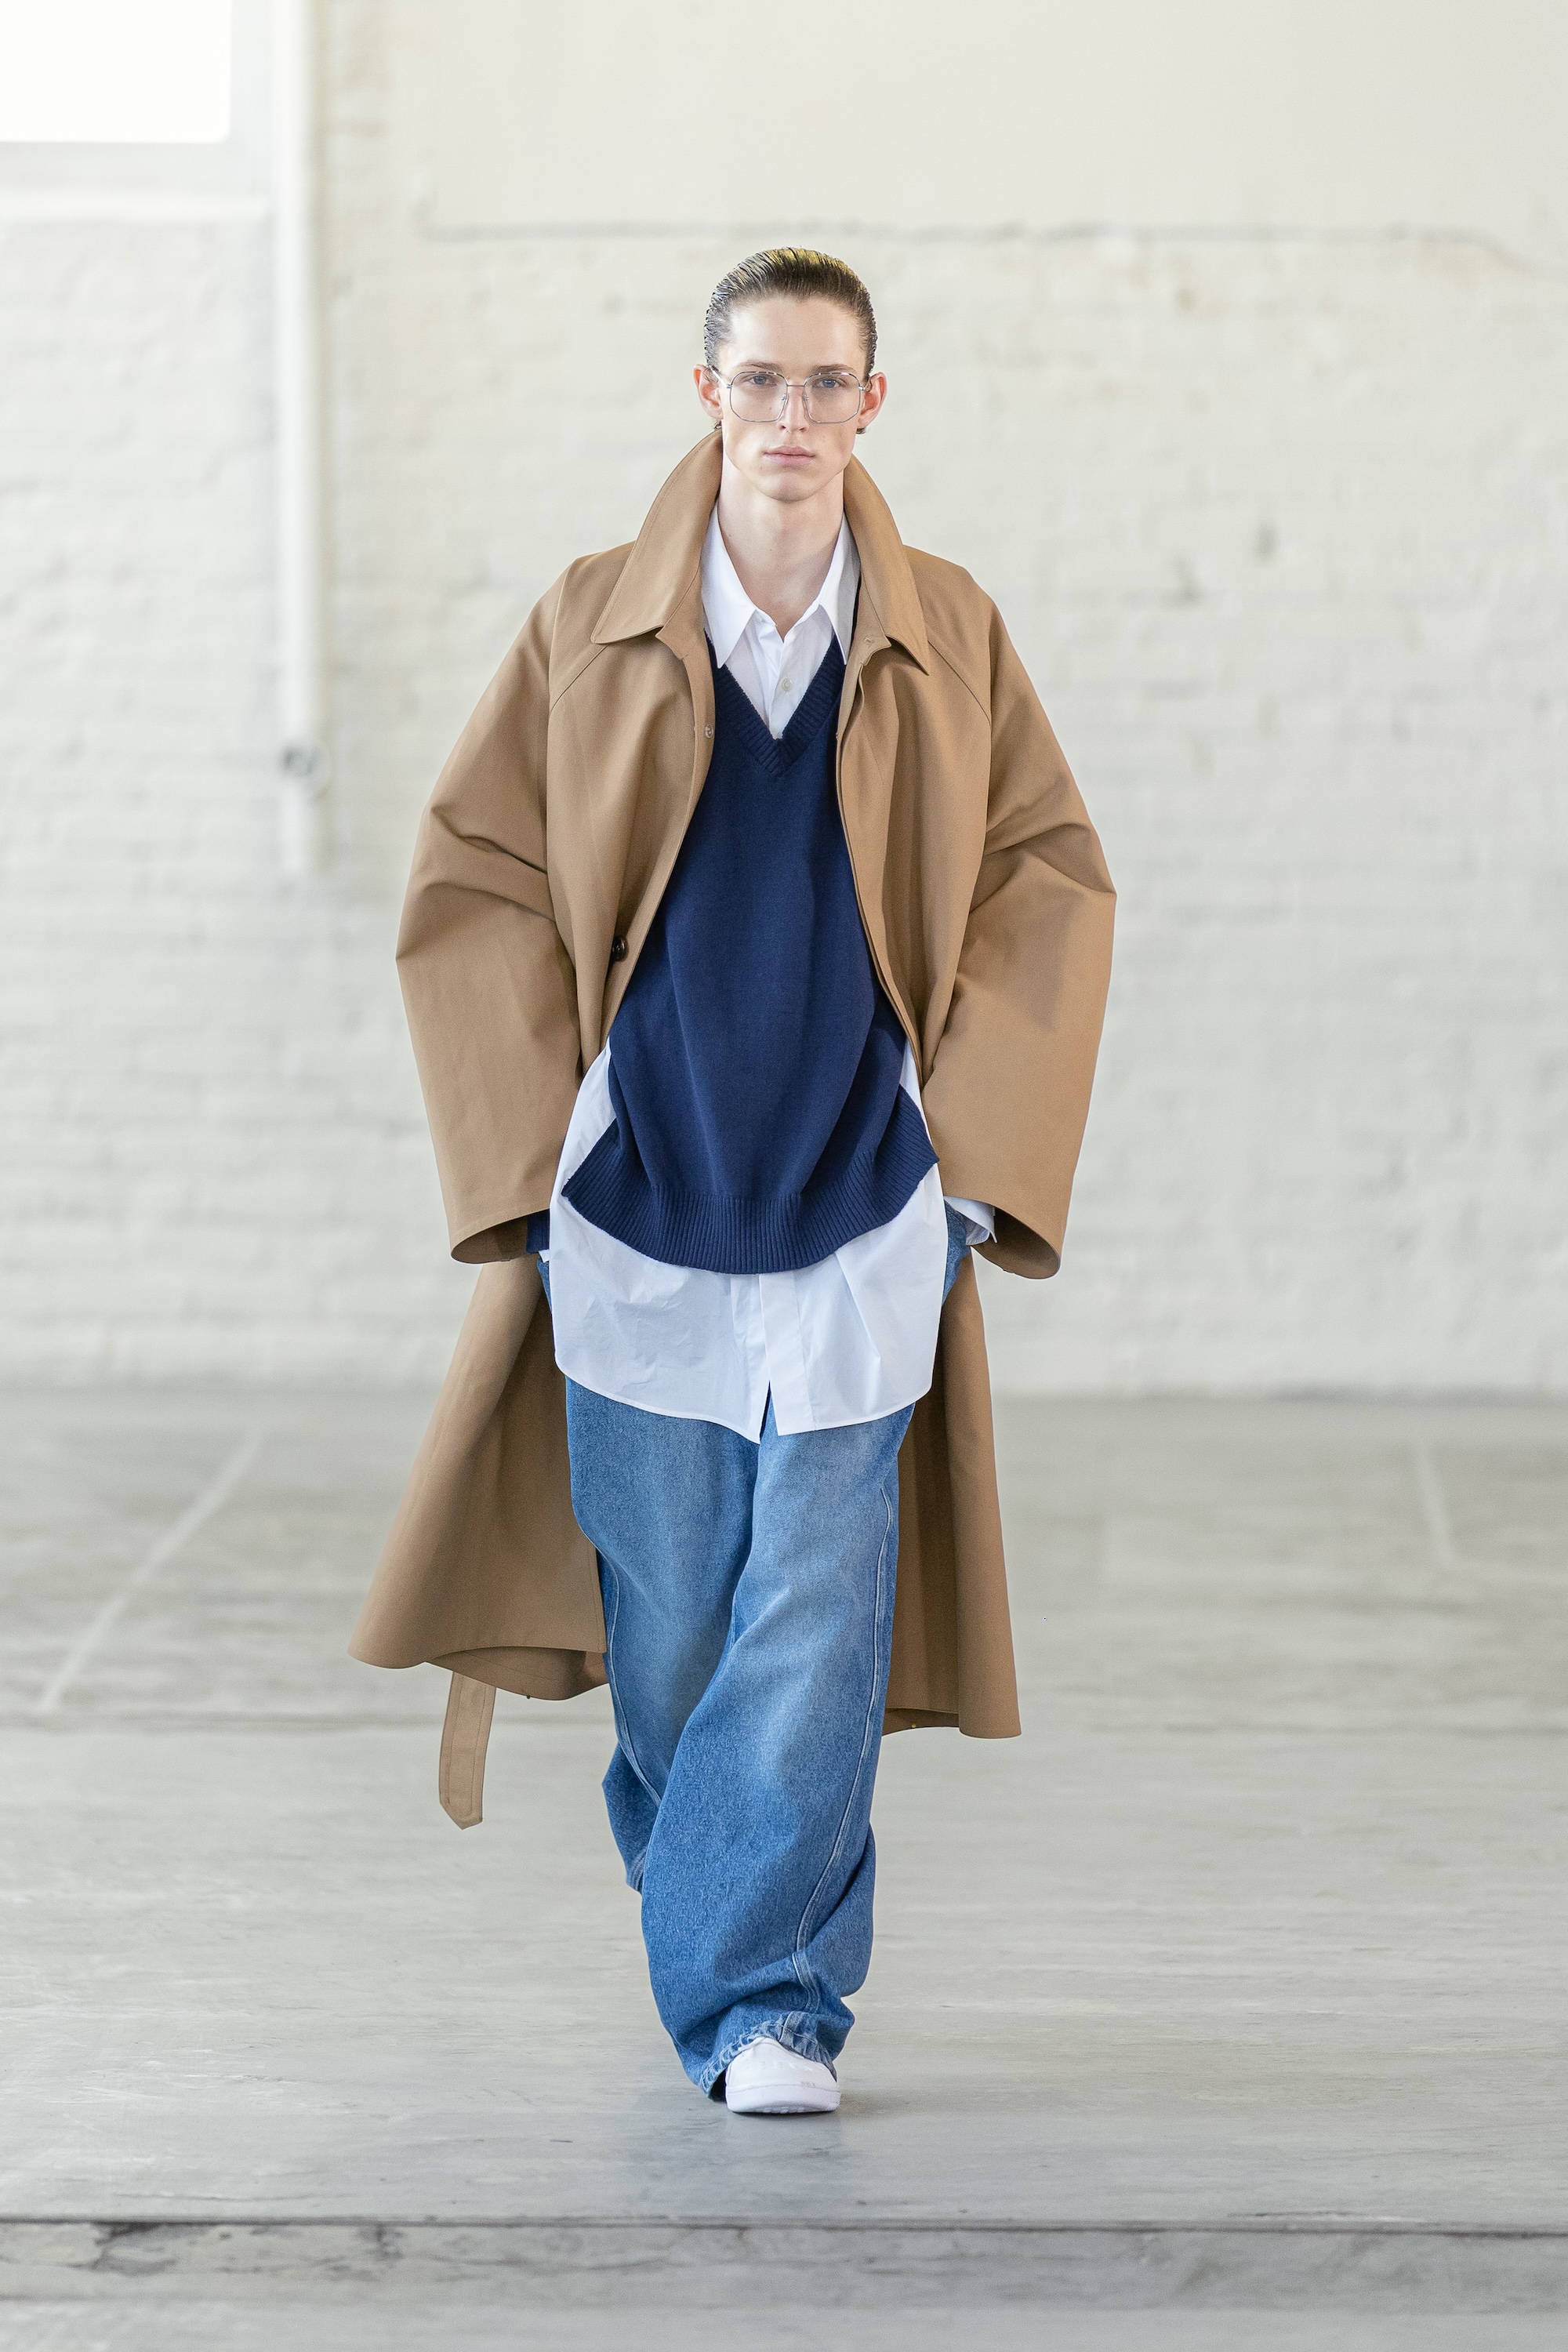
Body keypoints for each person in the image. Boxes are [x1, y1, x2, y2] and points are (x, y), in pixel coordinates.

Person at [352, 249, 1115, 2118]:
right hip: (637, 1214)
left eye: (825, 382)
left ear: (872, 403)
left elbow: (1046, 878)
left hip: (864, 1208)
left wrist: (962, 1166)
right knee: (677, 1621)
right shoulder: (585, 626)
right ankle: (720, 1906)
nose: (791, 415)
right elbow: (474, 880)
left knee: (813, 1622)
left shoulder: (948, 634)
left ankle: (765, 2004)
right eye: (759, 380)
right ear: (707, 395)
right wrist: (533, 1154)